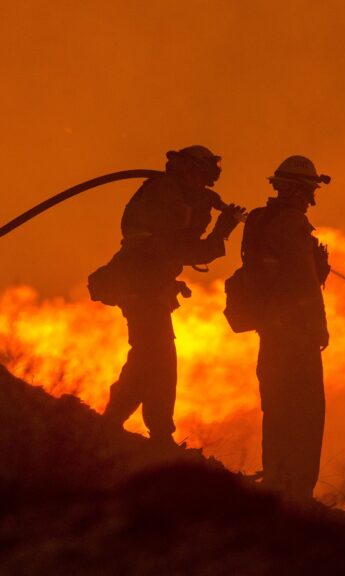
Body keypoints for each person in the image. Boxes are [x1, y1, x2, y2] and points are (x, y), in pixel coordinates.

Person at [90, 145, 244, 446]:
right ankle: (150, 430)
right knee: (156, 358)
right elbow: (178, 247)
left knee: (152, 357)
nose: (204, 185)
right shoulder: (165, 194)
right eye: (201, 178)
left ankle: (122, 420)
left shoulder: (178, 195)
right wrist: (221, 231)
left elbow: (179, 244)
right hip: (139, 286)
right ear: (190, 170)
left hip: (150, 287)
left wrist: (207, 213)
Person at [240, 155, 331, 500]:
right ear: (295, 191)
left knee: (276, 406)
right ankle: (299, 489)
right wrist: (319, 326)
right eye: (308, 193)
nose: (310, 200)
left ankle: (277, 477)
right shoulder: (292, 224)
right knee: (306, 410)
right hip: (296, 333)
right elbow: (302, 283)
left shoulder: (259, 221)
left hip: (270, 331)